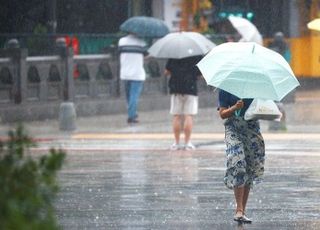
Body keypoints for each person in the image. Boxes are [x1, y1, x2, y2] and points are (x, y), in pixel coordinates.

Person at [218, 89, 265, 223]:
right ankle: (238, 209)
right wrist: (235, 108)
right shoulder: (225, 88)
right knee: (238, 163)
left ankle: (242, 211)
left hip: (252, 129)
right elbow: (222, 114)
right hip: (233, 128)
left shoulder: (256, 88)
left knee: (250, 167)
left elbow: (265, 110)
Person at [164, 55, 202, 151]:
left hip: (175, 88)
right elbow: (200, 74)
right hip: (191, 89)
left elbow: (166, 71)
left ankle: (176, 143)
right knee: (188, 115)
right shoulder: (196, 56)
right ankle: (187, 143)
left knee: (176, 116)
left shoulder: (174, 55)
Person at [118, 33, 147, 124]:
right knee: (134, 96)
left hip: (125, 73)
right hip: (137, 74)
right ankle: (131, 116)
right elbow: (146, 54)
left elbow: (119, 52)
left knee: (128, 96)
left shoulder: (121, 41)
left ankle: (132, 113)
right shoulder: (141, 43)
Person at [267, 32, 291, 131]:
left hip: (271, 76)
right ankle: (282, 124)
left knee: (273, 103)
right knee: (280, 103)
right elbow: (288, 59)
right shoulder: (285, 47)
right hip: (280, 76)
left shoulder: (270, 48)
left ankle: (273, 125)